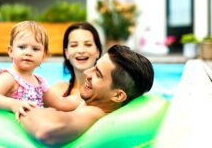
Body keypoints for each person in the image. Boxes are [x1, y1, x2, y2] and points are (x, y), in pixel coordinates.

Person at [19, 45, 154, 145]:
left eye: (98, 74)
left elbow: (47, 130)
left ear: (118, 96)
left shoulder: (93, 112)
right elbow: (59, 102)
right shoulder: (90, 102)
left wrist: (21, 107)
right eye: (95, 66)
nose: (87, 73)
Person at [0, 21, 80, 115]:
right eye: (22, 47)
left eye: (35, 49)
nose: (28, 53)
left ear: (44, 55)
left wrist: (84, 102)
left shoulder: (39, 83)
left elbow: (59, 103)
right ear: (10, 51)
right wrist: (13, 104)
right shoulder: (10, 77)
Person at [51, 22, 102, 98]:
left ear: (98, 51)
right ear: (67, 53)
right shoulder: (56, 91)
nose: (81, 50)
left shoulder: (106, 91)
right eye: (74, 45)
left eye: (88, 44)